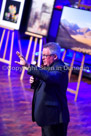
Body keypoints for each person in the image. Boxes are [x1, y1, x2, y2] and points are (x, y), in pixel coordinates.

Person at [15, 42, 70, 136]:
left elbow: (49, 77)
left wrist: (28, 66)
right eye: (42, 55)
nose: (42, 58)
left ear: (55, 56)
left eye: (45, 55)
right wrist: (36, 82)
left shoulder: (61, 68)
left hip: (55, 119)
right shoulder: (49, 67)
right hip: (48, 117)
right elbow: (47, 82)